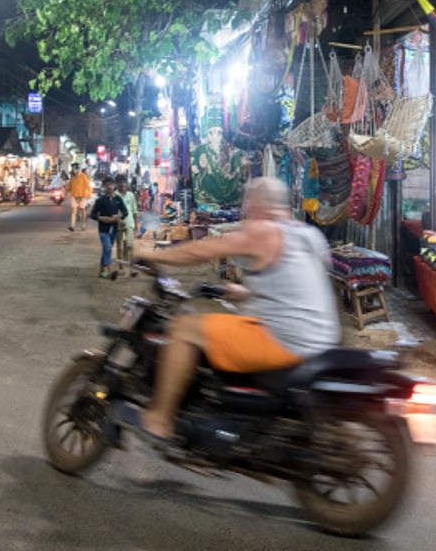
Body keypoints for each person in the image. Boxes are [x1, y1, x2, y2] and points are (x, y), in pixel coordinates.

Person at [118, 177, 340, 445]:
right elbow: (301, 282)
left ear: (256, 203)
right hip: (322, 337)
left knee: (185, 327)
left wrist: (153, 256)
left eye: (247, 200)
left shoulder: (263, 231)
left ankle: (159, 420)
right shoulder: (308, 234)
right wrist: (244, 292)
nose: (245, 207)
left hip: (286, 337)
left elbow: (202, 250)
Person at [89, 178, 127, 278]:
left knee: (107, 249)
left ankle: (101, 271)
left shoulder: (118, 199)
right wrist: (101, 218)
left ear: (114, 186)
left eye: (111, 184)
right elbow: (92, 214)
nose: (109, 187)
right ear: (103, 186)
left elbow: (125, 212)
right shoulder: (100, 200)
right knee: (108, 247)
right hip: (103, 229)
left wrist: (118, 217)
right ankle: (110, 270)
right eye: (107, 185)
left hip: (114, 229)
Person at [115, 176, 139, 274]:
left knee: (129, 245)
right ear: (117, 184)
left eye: (123, 181)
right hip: (118, 224)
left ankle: (131, 269)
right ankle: (121, 268)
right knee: (120, 246)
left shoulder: (131, 195)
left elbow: (134, 210)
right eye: (120, 182)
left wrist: (136, 225)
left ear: (126, 183)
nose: (122, 184)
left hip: (129, 223)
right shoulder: (115, 195)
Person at [67, 164, 93, 231]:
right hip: (74, 196)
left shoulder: (83, 176)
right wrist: (65, 189)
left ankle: (83, 224)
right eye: (72, 169)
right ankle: (72, 225)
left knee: (82, 211)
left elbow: (88, 186)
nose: (73, 170)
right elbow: (70, 186)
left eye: (74, 169)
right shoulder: (72, 177)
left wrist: (89, 194)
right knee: (74, 211)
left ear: (78, 169)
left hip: (82, 196)